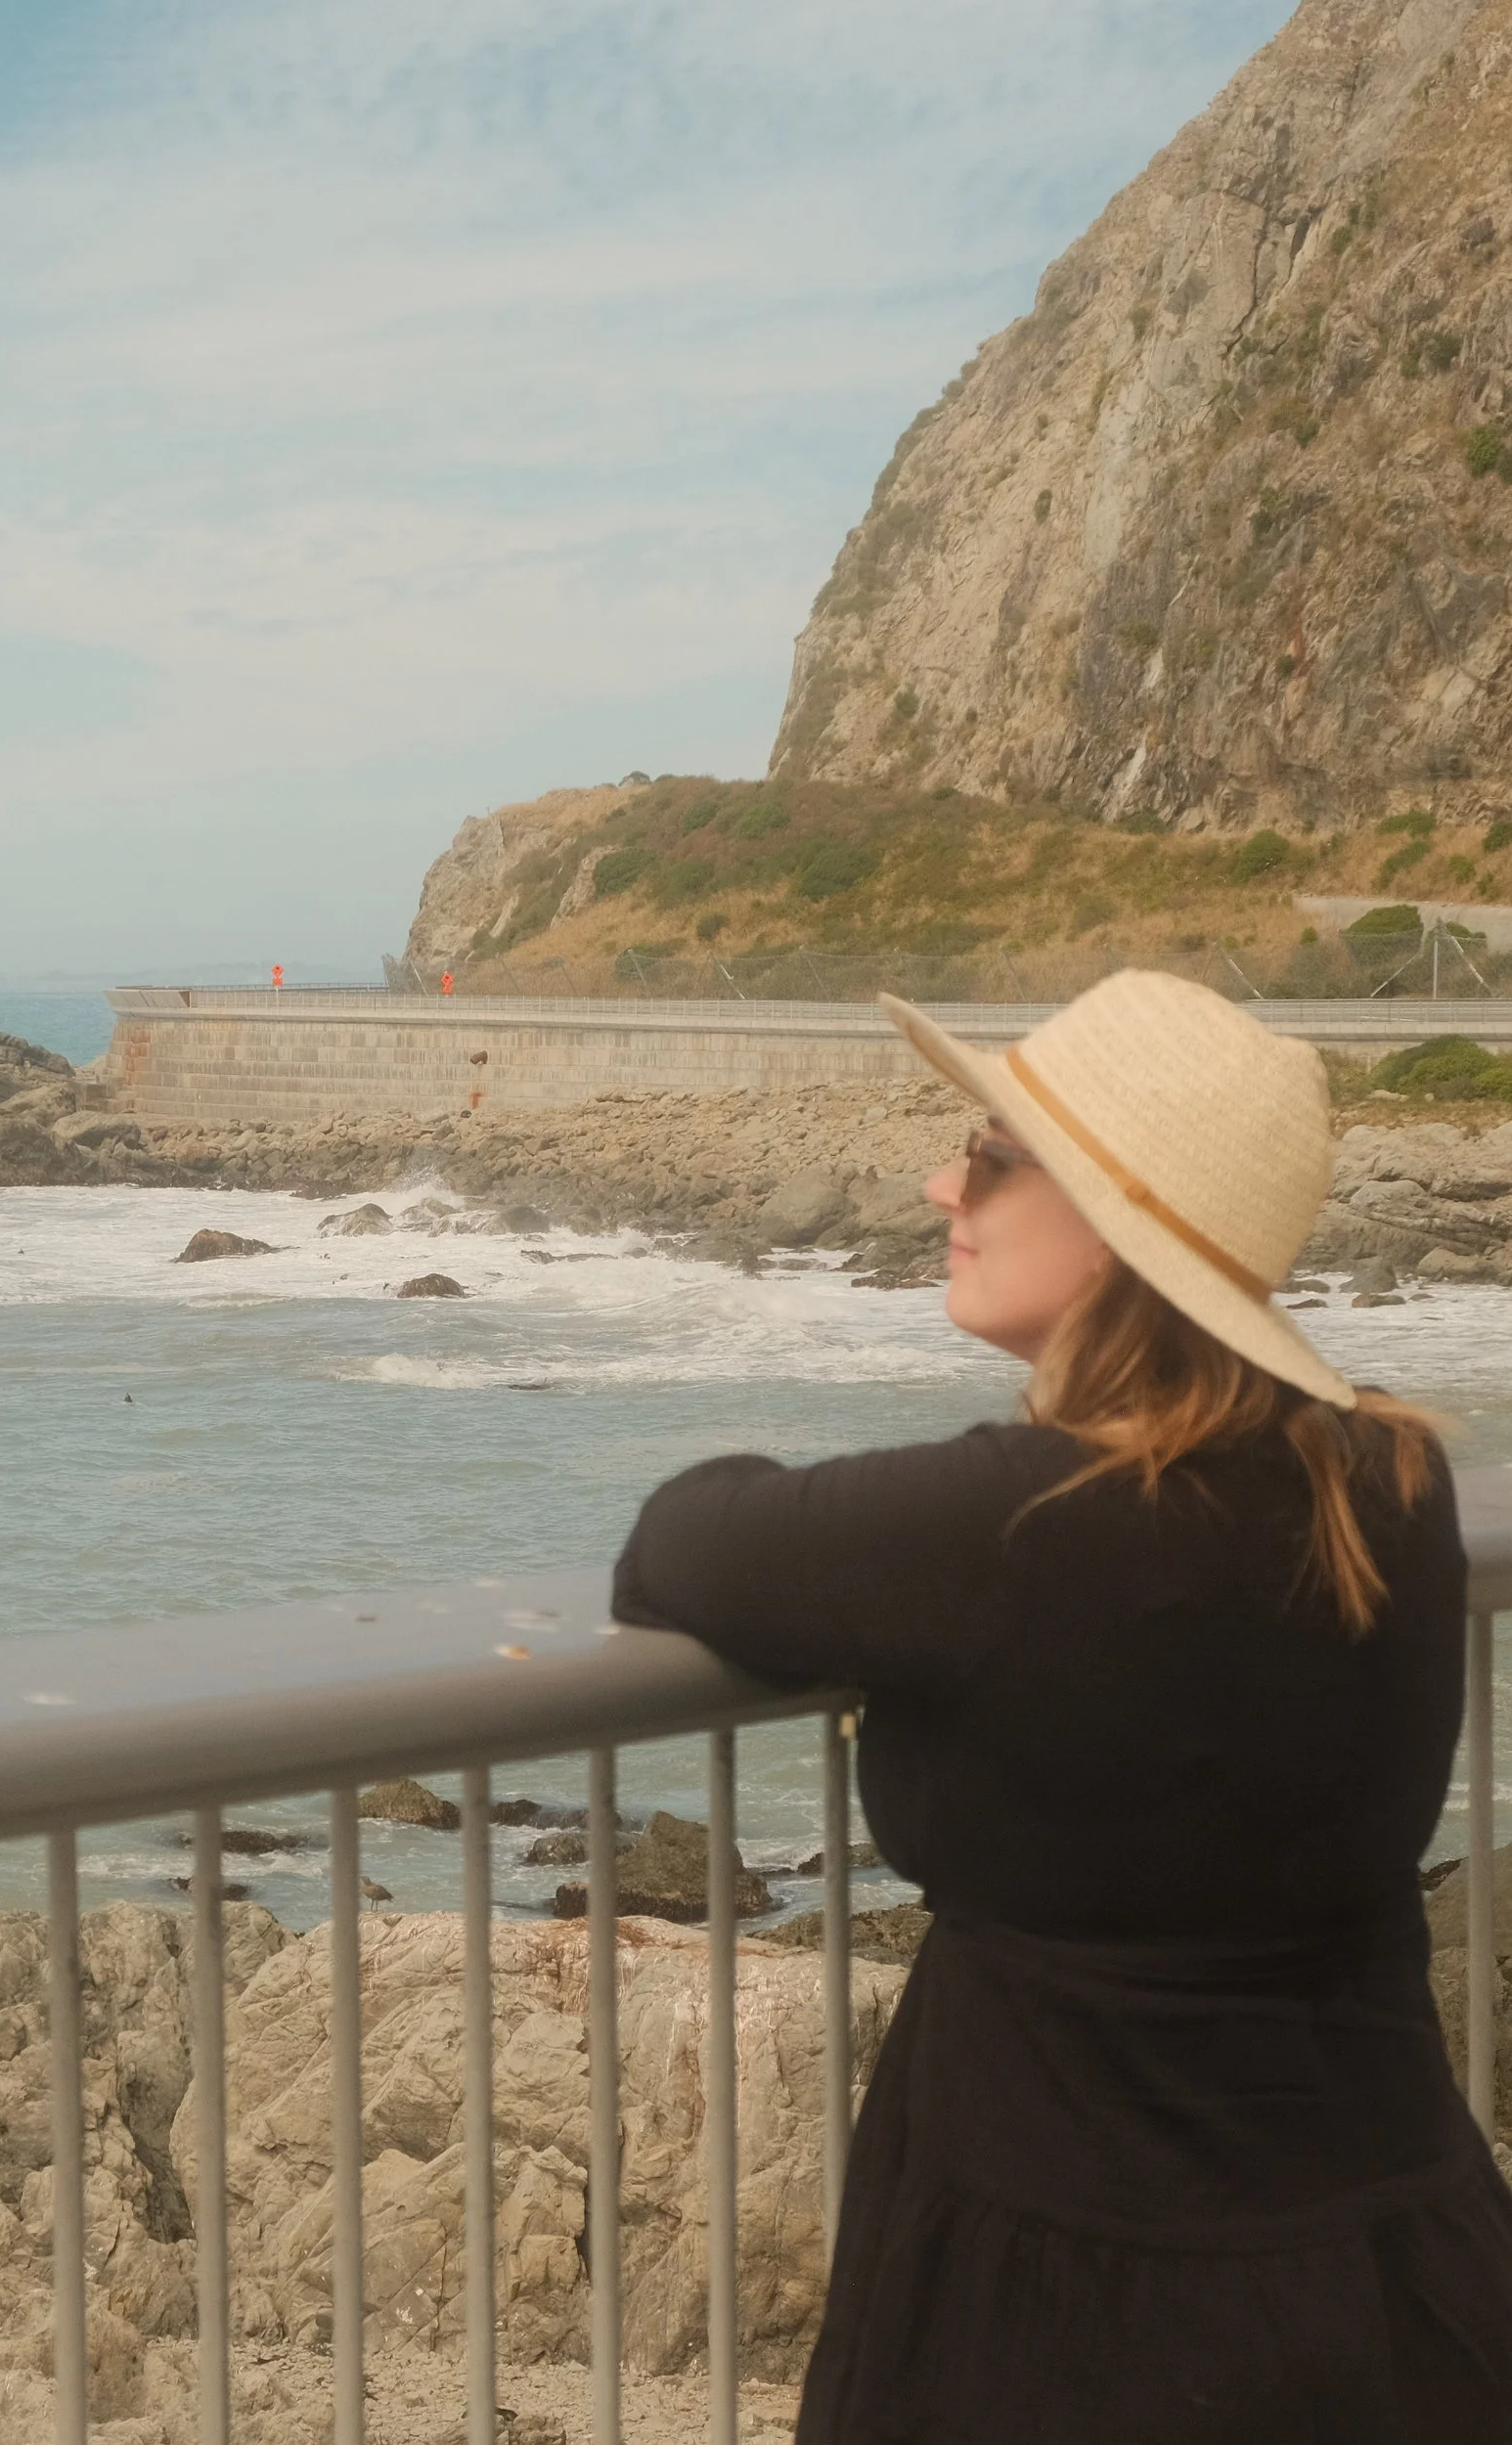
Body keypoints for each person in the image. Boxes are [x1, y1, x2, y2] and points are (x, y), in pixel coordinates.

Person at [612, 970, 1512, 2442]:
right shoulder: (1389, 1488)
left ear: (1107, 1223)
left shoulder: (1024, 1530)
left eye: (989, 1152)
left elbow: (684, 1539)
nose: (937, 1181)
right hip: (1397, 2267)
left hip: (1073, 2313)